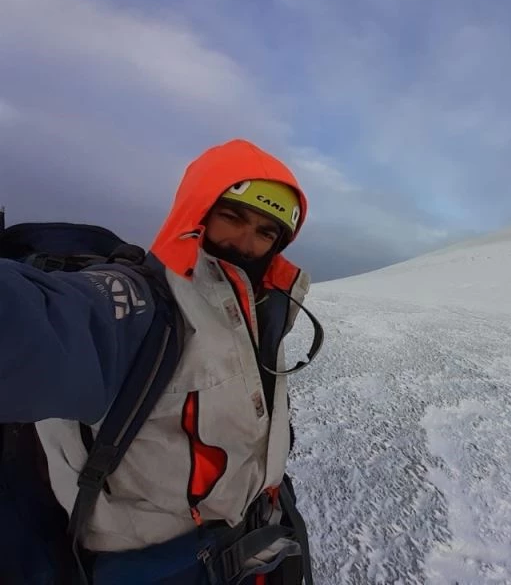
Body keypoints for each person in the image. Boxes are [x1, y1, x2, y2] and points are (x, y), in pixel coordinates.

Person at [0, 139, 317, 583]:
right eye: (233, 216)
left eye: (267, 232)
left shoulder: (260, 309)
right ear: (197, 211)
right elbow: (42, 321)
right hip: (160, 567)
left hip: (249, 551)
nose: (247, 244)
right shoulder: (139, 307)